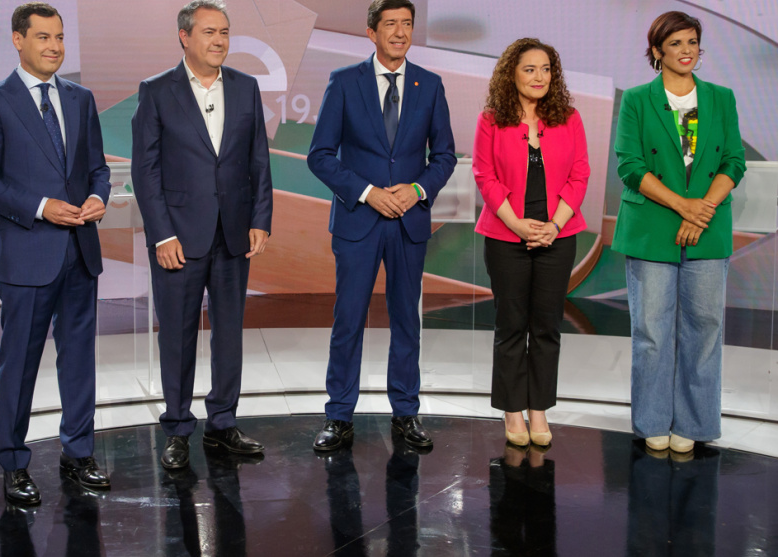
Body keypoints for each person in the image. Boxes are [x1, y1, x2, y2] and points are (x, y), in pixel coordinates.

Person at [0, 2, 113, 504]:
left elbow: (98, 168)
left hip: (80, 251)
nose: (54, 46)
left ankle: (79, 452)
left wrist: (98, 197)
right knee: (20, 363)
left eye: (60, 37)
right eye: (43, 37)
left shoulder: (80, 98)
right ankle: (13, 462)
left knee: (79, 359)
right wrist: (41, 206)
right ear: (18, 40)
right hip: (27, 255)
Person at [307, 0, 456, 451]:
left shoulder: (430, 85)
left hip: (410, 222)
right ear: (371, 32)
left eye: (406, 23)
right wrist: (369, 192)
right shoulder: (344, 82)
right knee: (349, 319)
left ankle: (406, 412)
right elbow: (320, 155)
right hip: (359, 220)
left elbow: (444, 155)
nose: (399, 32)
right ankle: (338, 415)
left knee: (406, 319)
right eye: (390, 24)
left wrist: (417, 190)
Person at [130, 0, 273, 470]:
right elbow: (146, 171)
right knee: (177, 336)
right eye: (210, 32)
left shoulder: (246, 87)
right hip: (178, 239)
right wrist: (161, 235)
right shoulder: (156, 91)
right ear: (184, 36)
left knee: (229, 334)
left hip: (233, 234)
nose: (219, 40)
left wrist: (260, 219)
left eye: (225, 32)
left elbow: (258, 160)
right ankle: (176, 428)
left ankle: (223, 423)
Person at [612, 11, 745, 454]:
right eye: (676, 43)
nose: (687, 51)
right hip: (653, 227)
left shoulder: (721, 98)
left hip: (706, 226)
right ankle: (652, 419)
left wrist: (699, 211)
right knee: (652, 331)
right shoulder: (637, 99)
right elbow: (630, 166)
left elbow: (733, 161)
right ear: (657, 51)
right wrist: (683, 205)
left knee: (704, 328)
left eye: (692, 42)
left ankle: (695, 422)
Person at [472, 38, 589, 447]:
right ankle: (512, 411)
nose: (539, 77)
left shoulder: (569, 118)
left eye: (546, 69)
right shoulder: (491, 120)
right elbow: (485, 176)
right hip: (507, 235)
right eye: (529, 69)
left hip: (558, 235)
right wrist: (517, 225)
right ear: (512, 74)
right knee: (511, 325)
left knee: (546, 326)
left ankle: (538, 409)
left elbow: (580, 175)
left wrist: (554, 225)